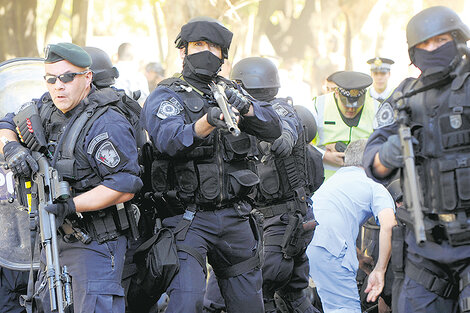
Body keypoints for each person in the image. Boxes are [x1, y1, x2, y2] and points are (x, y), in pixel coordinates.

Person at [140, 17, 282, 313]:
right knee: (187, 302)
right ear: (183, 52)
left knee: (250, 305)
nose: (206, 52)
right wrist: (206, 123)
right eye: (198, 45)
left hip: (236, 217)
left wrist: (246, 107)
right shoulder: (167, 95)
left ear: (223, 56)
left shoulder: (231, 91)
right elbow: (168, 140)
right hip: (189, 219)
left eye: (214, 47)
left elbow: (273, 128)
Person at [0, 42, 142, 313]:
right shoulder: (45, 108)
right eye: (51, 79)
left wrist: (71, 206)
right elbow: (6, 123)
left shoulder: (105, 122)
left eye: (67, 77)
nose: (58, 86)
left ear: (87, 77)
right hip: (53, 243)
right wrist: (11, 147)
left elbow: (124, 185)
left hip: (95, 244)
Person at [363, 6, 470, 313]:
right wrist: (389, 153)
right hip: (425, 249)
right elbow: (373, 162)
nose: (433, 50)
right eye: (425, 45)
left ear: (459, 40)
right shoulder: (404, 97)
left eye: (441, 41)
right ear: (414, 52)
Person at [203, 57, 324, 313]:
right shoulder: (239, 114)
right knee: (293, 300)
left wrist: (281, 137)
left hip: (281, 223)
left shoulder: (277, 110)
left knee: (254, 296)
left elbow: (285, 128)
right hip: (270, 221)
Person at [306, 139, 396, 313]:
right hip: (330, 249)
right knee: (344, 308)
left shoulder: (333, 181)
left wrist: (359, 258)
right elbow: (389, 225)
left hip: (307, 243)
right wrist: (380, 269)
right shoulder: (374, 186)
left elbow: (332, 219)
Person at [311, 71, 375, 179]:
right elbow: (302, 145)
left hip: (363, 183)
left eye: (357, 104)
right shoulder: (317, 106)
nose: (351, 109)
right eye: (346, 103)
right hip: (325, 185)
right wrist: (324, 156)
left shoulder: (376, 108)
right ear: (336, 93)